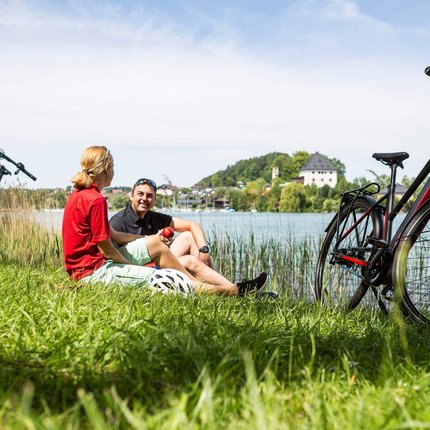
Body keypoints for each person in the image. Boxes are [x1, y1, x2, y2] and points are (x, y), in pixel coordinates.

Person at [62, 146, 267, 296]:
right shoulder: (95, 200)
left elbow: (112, 236)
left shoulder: (79, 194)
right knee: (171, 278)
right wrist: (132, 268)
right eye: (113, 166)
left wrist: (149, 240)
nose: (114, 171)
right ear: (106, 169)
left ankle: (212, 288)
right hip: (92, 272)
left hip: (90, 267)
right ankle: (232, 291)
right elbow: (106, 249)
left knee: (156, 243)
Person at [109, 177, 265, 289]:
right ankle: (235, 290)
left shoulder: (152, 216)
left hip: (156, 260)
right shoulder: (118, 222)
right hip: (137, 268)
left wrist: (204, 250)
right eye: (140, 194)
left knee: (190, 236)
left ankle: (218, 288)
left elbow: (192, 225)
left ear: (155, 199)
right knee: (190, 261)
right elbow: (110, 257)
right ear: (132, 196)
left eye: (149, 196)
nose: (144, 199)